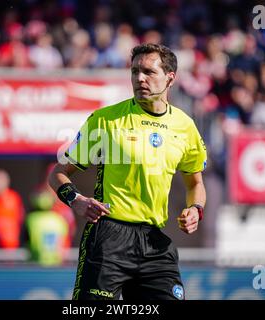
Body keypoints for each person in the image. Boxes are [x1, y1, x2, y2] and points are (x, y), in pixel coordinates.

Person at [48, 43, 207, 300]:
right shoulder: (105, 120)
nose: (139, 78)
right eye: (134, 71)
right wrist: (76, 200)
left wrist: (195, 210)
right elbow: (57, 173)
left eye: (148, 72)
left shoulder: (185, 126)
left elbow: (195, 184)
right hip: (109, 237)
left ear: (170, 78)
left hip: (155, 241)